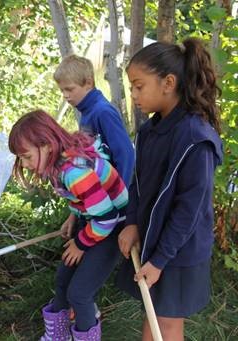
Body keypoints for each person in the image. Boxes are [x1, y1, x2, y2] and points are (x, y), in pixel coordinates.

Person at [116, 37, 223, 341]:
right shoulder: (150, 130)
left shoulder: (195, 138)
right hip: (153, 238)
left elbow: (189, 210)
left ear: (168, 83)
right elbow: (138, 181)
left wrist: (160, 259)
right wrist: (133, 221)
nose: (133, 94)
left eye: (139, 86)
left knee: (168, 320)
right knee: (154, 311)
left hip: (179, 249)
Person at [8, 110, 128, 341]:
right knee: (63, 280)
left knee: (80, 293)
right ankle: (59, 336)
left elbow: (106, 218)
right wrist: (73, 216)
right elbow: (83, 200)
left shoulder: (74, 172)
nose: (24, 164)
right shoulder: (57, 164)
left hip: (113, 228)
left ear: (46, 145)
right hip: (94, 223)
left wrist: (81, 244)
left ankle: (86, 336)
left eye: (26, 156)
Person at [53, 54, 135, 187]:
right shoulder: (86, 111)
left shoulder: (103, 112)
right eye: (62, 90)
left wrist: (121, 195)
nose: (65, 95)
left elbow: (125, 154)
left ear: (89, 83)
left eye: (69, 89)